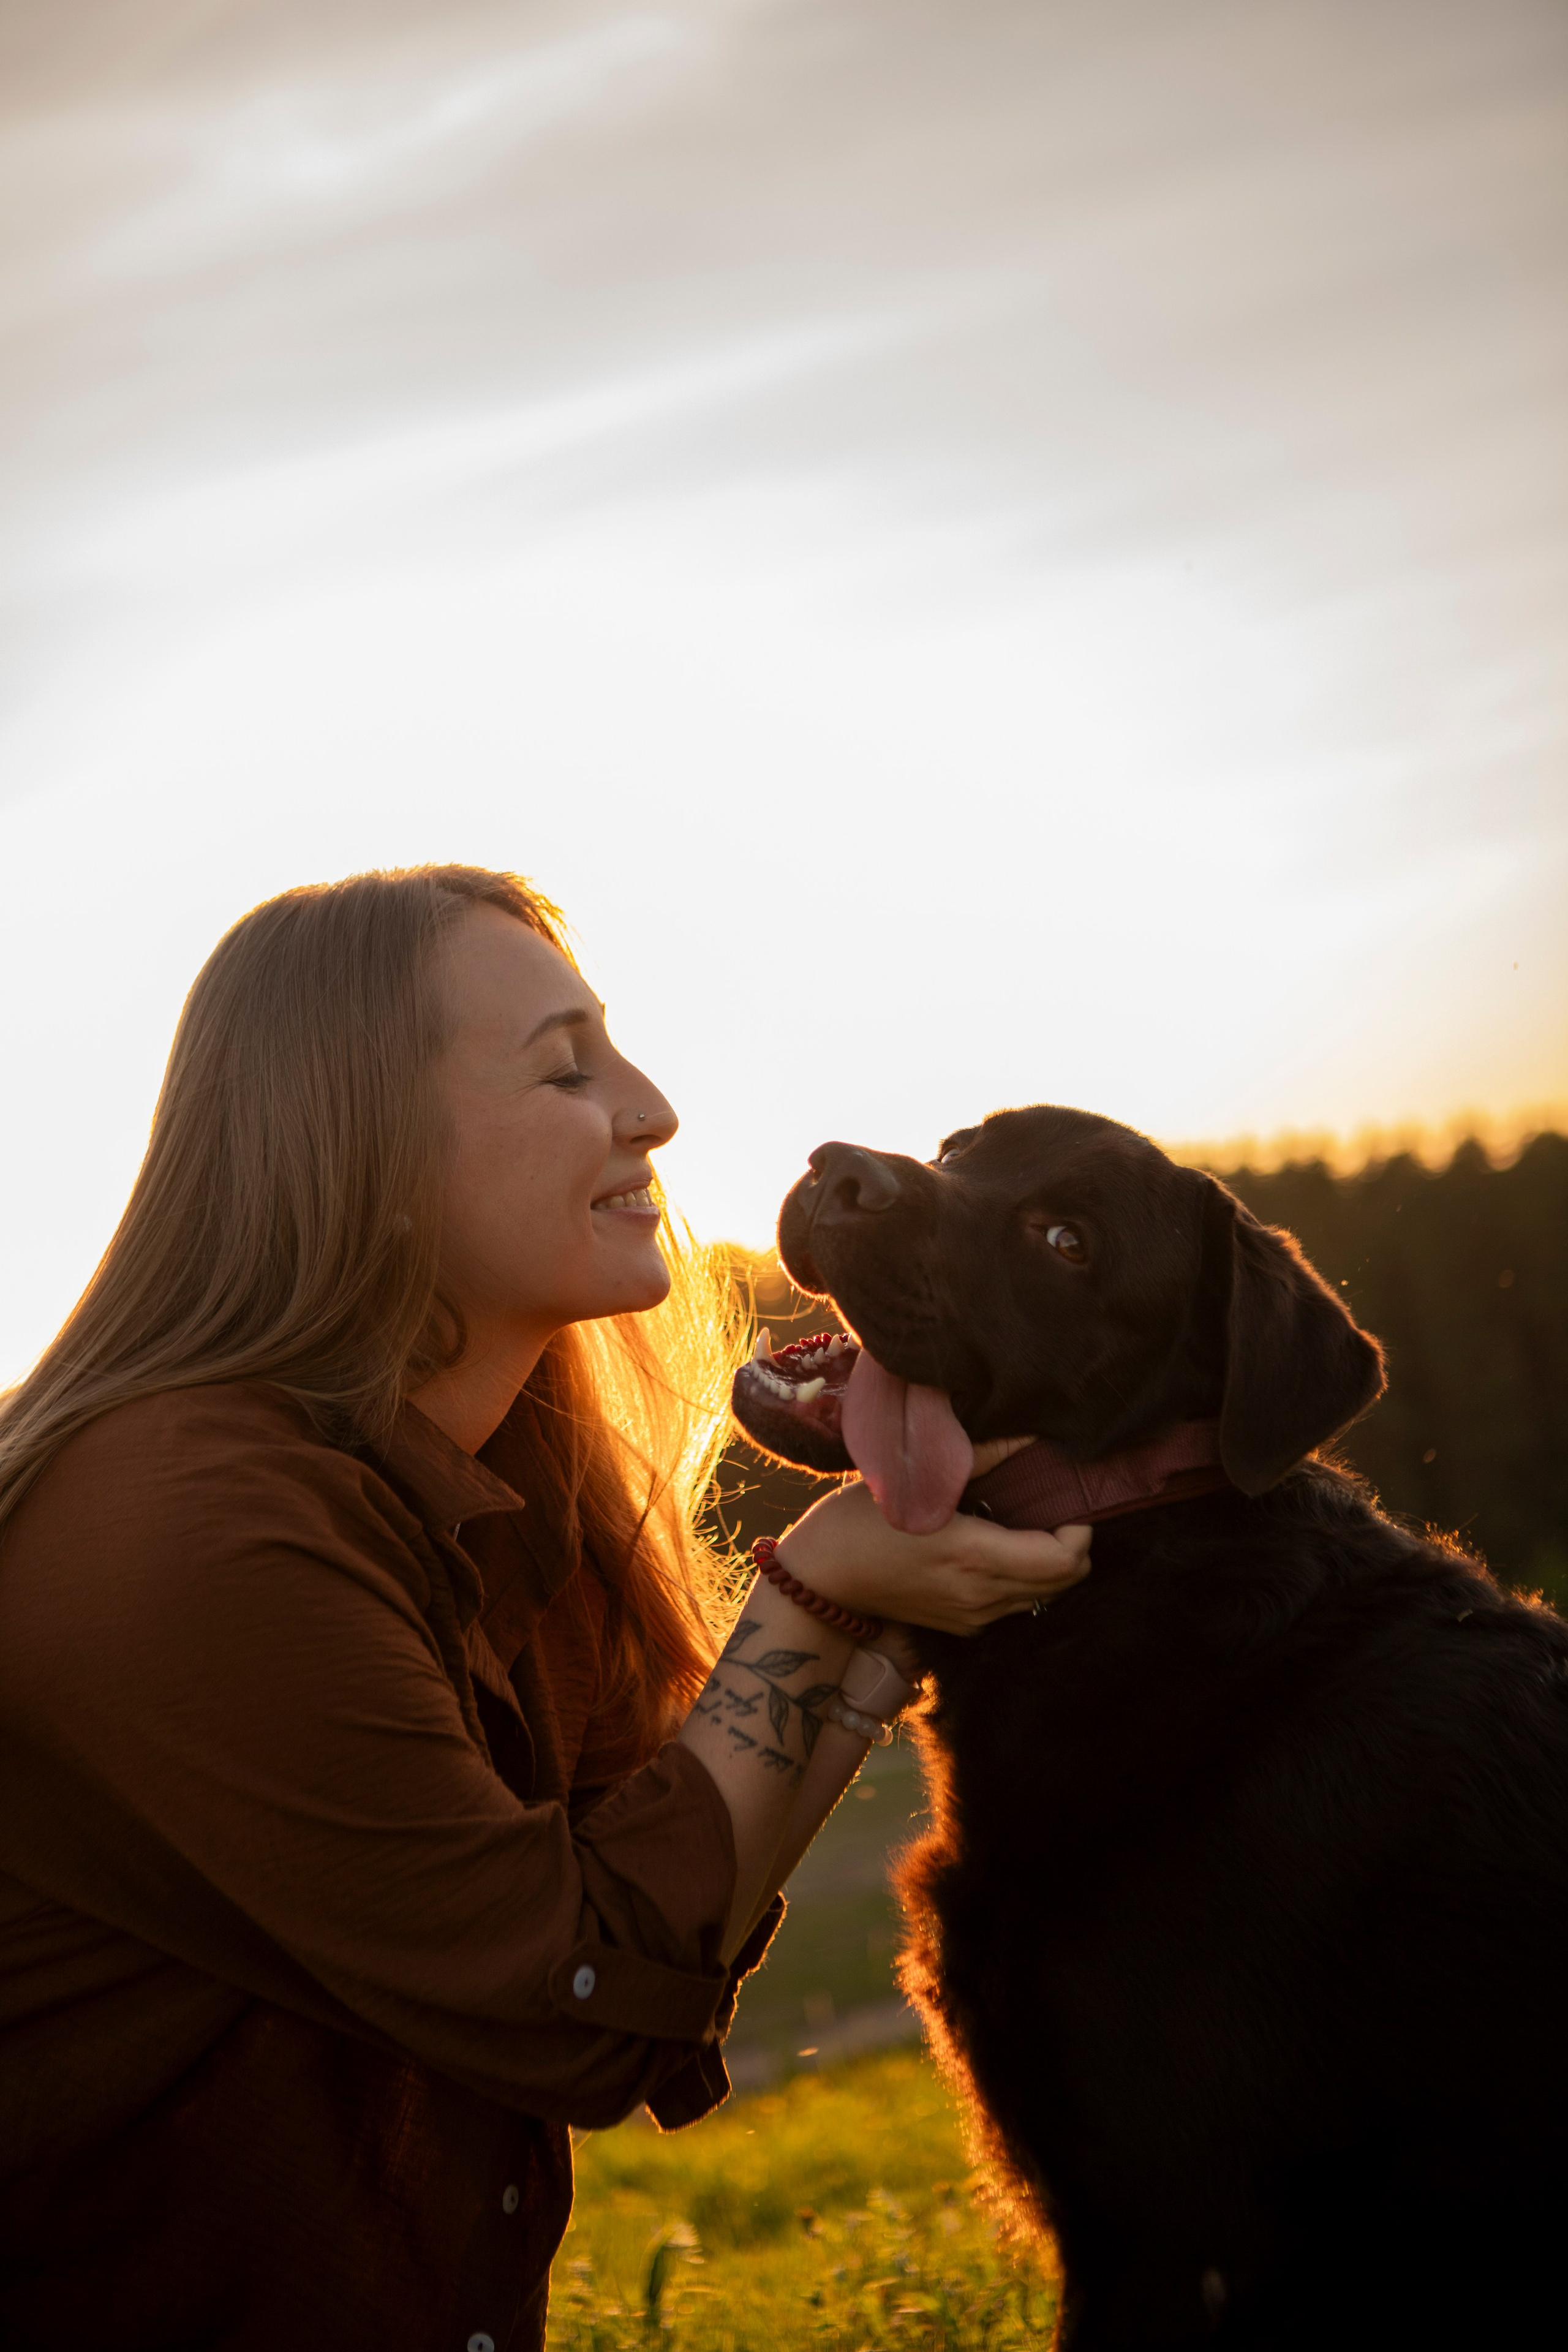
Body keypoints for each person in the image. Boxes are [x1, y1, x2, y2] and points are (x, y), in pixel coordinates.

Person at [0, 865, 1090, 2351]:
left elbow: (653, 1927)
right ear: (367, 1151)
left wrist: (869, 1616)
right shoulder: (186, 1530)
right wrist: (817, 1600)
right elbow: (566, 2000)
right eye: (566, 1070)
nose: (652, 1111)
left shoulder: (510, 1475)